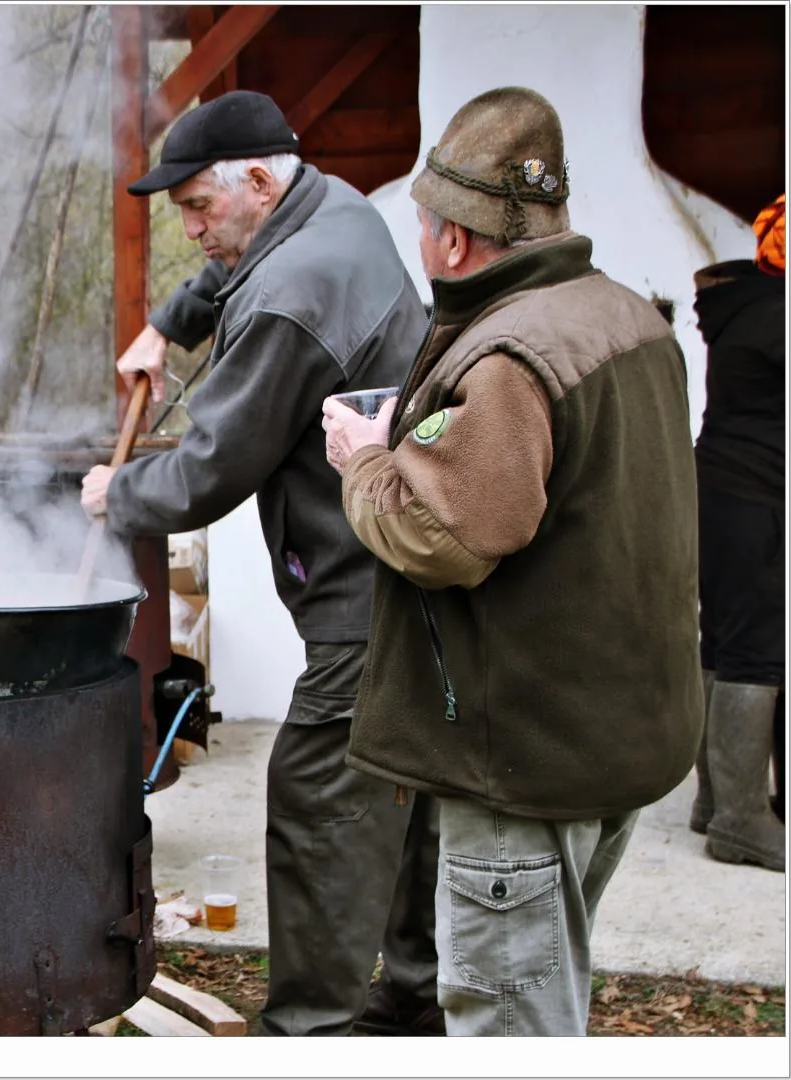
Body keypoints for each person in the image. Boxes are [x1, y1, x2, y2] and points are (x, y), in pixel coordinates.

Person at [322, 86, 704, 1036]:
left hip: (521, 771)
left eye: (421, 225)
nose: (420, 242)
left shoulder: (508, 357)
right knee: (547, 1002)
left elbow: (440, 539)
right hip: (612, 742)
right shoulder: (630, 318)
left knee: (511, 1030)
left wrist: (366, 457)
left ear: (454, 240)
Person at [80, 89, 437, 1037]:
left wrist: (116, 496)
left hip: (370, 585)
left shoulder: (291, 296)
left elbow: (210, 468)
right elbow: (235, 268)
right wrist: (170, 322)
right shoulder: (334, 205)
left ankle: (309, 1031)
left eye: (199, 206)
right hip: (408, 564)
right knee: (407, 784)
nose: (191, 228)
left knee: (320, 797)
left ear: (257, 179)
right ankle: (415, 999)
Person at [687, 192, 786, 870]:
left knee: (721, 642)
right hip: (760, 498)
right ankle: (744, 821)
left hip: (719, 490)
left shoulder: (743, 304)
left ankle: (714, 799)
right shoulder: (777, 317)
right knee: (757, 650)